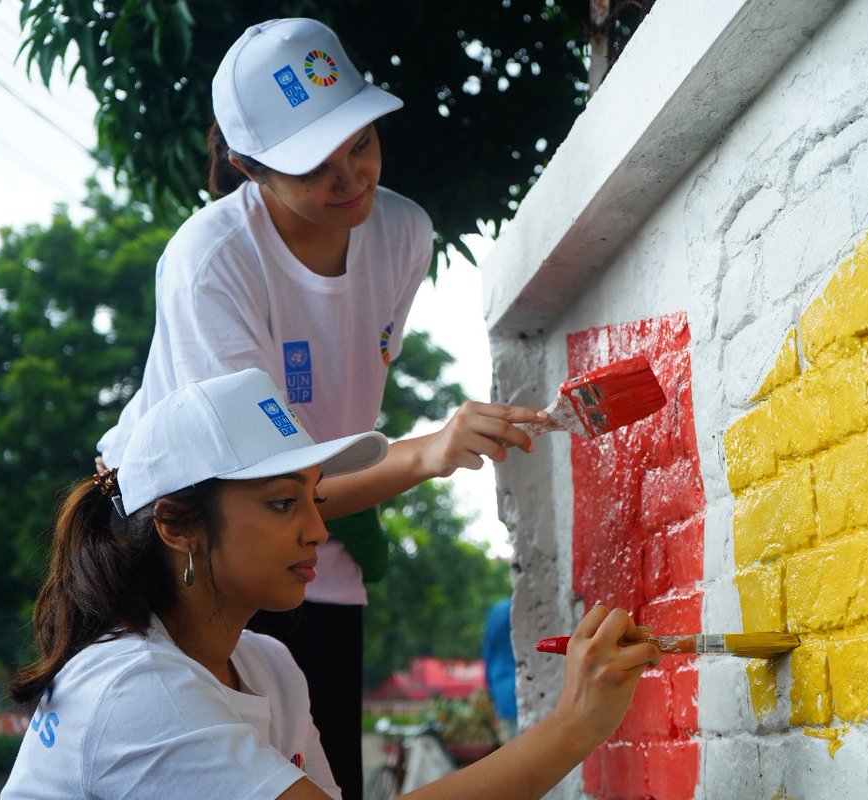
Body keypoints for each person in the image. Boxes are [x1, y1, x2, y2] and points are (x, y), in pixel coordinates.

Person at [94, 18, 548, 797]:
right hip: (193, 539)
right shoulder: (210, 263)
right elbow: (247, 481)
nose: (352, 181)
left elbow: (315, 453)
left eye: (362, 144)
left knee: (319, 761)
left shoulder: (403, 232)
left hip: (314, 535)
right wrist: (429, 453)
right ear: (246, 166)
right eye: (314, 167)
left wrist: (385, 472)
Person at [3, 369, 659, 800]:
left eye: (314, 500)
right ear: (178, 524)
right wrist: (572, 727)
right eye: (284, 505)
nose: (319, 530)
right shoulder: (134, 690)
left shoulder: (267, 666)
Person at [482, 597, 519, 740]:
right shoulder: (518, 609)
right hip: (525, 681)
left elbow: (487, 655)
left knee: (510, 743)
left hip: (500, 687)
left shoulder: (495, 613)